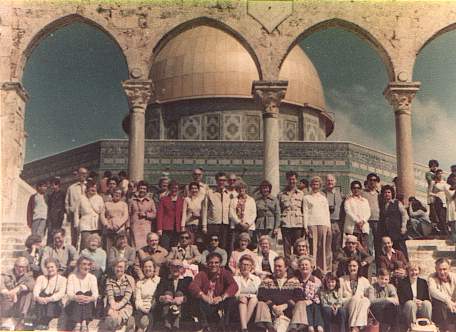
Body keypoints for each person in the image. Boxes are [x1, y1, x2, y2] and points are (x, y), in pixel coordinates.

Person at [189, 252, 238, 332]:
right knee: (196, 299)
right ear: (207, 264)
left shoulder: (225, 273)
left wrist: (222, 297)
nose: (213, 265)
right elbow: (193, 286)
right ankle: (204, 327)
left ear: (220, 264)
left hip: (219, 303)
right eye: (211, 263)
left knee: (232, 299)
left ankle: (226, 326)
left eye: (216, 262)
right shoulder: (202, 274)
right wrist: (203, 295)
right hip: (206, 303)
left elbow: (234, 286)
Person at [255, 256, 302, 332]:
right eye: (275, 266)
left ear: (286, 267)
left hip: (288, 313)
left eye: (279, 266)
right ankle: (270, 327)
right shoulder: (267, 280)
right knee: (261, 303)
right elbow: (261, 295)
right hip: (270, 314)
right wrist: (273, 306)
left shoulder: (294, 281)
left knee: (301, 303)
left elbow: (299, 296)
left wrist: (285, 305)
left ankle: (294, 328)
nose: (277, 268)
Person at [304, 176, 332, 274]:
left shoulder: (323, 198)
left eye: (317, 184)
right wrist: (305, 226)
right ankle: (312, 269)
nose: (315, 186)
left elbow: (326, 212)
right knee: (313, 248)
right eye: (313, 184)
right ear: (311, 185)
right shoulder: (306, 197)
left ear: (320, 186)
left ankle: (322, 270)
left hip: (323, 224)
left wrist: (328, 226)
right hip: (312, 224)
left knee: (322, 248)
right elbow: (306, 212)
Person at [156, 259, 193, 330]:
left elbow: (191, 295)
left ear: (182, 269)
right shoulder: (164, 280)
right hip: (167, 308)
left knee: (179, 293)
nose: (175, 269)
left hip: (182, 310)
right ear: (169, 268)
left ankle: (176, 321)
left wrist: (183, 299)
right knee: (168, 293)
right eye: (173, 266)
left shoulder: (188, 280)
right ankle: (167, 321)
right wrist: (164, 298)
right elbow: (158, 295)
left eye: (178, 267)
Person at [65, 256, 98, 332]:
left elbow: (95, 295)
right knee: (79, 293)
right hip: (73, 306)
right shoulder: (72, 276)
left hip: (88, 305)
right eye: (84, 264)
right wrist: (76, 297)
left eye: (89, 265)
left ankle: (81, 323)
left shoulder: (92, 278)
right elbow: (69, 293)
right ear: (78, 265)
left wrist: (89, 298)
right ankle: (80, 323)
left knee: (87, 293)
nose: (87, 267)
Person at [278, 171, 306, 259]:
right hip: (286, 224)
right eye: (290, 179)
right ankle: (288, 266)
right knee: (286, 248)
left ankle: (298, 266)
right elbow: (278, 210)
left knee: (298, 247)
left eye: (293, 179)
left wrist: (305, 226)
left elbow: (304, 210)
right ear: (287, 180)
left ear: (296, 180)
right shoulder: (281, 194)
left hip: (298, 224)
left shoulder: (301, 194)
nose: (292, 181)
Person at [32, 258, 66, 330]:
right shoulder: (41, 278)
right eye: (48, 267)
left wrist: (49, 299)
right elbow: (36, 290)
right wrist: (38, 298)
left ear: (57, 267)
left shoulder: (63, 280)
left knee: (51, 301)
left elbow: (61, 293)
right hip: (41, 302)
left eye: (52, 267)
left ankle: (45, 322)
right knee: (42, 295)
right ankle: (40, 322)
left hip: (54, 304)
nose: (50, 269)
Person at [0, 257, 35, 327]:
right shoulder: (6, 274)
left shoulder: (28, 275)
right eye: (19, 267)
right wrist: (10, 293)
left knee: (28, 293)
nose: (21, 269)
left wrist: (17, 289)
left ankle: (22, 318)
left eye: (23, 267)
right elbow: (1, 287)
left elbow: (31, 284)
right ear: (15, 266)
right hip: (7, 302)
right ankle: (5, 321)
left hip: (19, 303)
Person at [339, 258, 371, 332]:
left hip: (360, 306)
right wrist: (352, 298)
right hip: (347, 304)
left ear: (358, 267)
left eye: (354, 266)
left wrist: (362, 298)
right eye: (350, 266)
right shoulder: (341, 280)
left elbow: (369, 297)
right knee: (356, 298)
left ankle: (354, 328)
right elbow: (339, 298)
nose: (352, 268)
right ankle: (356, 327)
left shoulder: (364, 280)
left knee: (365, 300)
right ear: (347, 267)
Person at [397, 263, 432, 328]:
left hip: (420, 305)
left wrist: (421, 302)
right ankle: (412, 327)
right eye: (411, 270)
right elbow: (401, 299)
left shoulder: (423, 282)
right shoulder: (402, 283)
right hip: (408, 307)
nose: (414, 272)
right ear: (408, 271)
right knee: (411, 304)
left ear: (419, 271)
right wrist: (413, 301)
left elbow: (427, 297)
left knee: (427, 303)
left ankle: (426, 326)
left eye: (416, 270)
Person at [293, 256, 324, 332]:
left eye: (306, 265)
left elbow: (319, 297)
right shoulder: (294, 280)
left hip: (314, 307)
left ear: (311, 267)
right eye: (302, 265)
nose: (304, 267)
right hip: (299, 308)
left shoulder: (317, 281)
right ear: (299, 268)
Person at [104, 258, 135, 331]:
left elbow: (127, 298)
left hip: (125, 305)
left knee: (117, 318)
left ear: (125, 268)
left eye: (121, 267)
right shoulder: (109, 280)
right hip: (113, 304)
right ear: (114, 268)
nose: (118, 269)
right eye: (116, 266)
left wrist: (118, 307)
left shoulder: (130, 279)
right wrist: (113, 306)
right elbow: (110, 296)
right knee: (112, 316)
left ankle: (122, 324)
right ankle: (124, 324)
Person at [202, 172, 231, 249]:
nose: (221, 182)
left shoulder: (229, 194)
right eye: (219, 180)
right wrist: (204, 226)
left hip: (225, 224)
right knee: (211, 246)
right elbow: (204, 210)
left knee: (223, 246)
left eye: (223, 180)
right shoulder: (210, 193)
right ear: (216, 181)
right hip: (213, 224)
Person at [74, 180, 106, 251]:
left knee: (97, 244)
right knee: (85, 245)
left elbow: (102, 211)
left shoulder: (99, 198)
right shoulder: (81, 198)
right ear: (87, 188)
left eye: (95, 187)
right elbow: (76, 212)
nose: (93, 189)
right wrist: (76, 224)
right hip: (85, 225)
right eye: (92, 187)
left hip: (96, 225)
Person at [234, 255, 261, 332]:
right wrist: (240, 297)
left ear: (251, 267)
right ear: (240, 266)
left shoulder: (256, 279)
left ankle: (243, 327)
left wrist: (249, 295)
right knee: (243, 299)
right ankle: (244, 328)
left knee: (254, 299)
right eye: (243, 264)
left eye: (248, 265)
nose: (245, 267)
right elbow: (234, 293)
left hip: (253, 302)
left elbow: (259, 294)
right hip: (239, 302)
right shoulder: (235, 278)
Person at [380, 185, 409, 259]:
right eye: (385, 192)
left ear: (392, 193)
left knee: (401, 250)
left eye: (389, 192)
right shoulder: (383, 205)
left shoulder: (397, 203)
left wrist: (403, 227)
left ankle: (405, 266)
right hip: (388, 232)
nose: (387, 194)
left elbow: (404, 215)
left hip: (398, 231)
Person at [428, 258, 456, 332]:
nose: (442, 272)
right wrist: (448, 301)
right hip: (440, 309)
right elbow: (433, 291)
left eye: (444, 269)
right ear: (436, 269)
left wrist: (454, 304)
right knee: (441, 305)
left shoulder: (454, 277)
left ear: (449, 269)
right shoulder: (432, 277)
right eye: (440, 269)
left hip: (454, 306)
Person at [323, 175, 344, 270]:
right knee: (326, 246)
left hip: (338, 223)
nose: (330, 182)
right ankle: (327, 268)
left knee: (337, 246)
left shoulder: (340, 194)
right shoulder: (322, 194)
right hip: (326, 222)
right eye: (328, 180)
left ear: (335, 182)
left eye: (332, 180)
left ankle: (335, 269)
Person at [135, 257, 161, 332]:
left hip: (154, 309)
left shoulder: (159, 281)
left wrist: (149, 309)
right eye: (145, 267)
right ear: (142, 269)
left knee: (146, 320)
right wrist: (143, 309)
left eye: (150, 267)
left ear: (154, 268)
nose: (147, 269)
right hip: (141, 309)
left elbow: (157, 298)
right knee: (139, 322)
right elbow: (138, 300)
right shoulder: (139, 283)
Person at [229, 181, 257, 251]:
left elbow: (254, 213)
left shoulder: (251, 200)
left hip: (248, 227)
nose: (241, 190)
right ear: (237, 190)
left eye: (243, 188)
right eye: (239, 188)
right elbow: (231, 213)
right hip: (236, 227)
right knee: (236, 246)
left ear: (246, 189)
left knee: (248, 246)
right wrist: (239, 223)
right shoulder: (233, 200)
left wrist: (247, 224)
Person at [344, 181, 371, 252]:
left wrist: (363, 221)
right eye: (354, 188)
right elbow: (348, 211)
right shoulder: (348, 200)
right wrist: (357, 221)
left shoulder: (365, 201)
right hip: (353, 228)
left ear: (360, 189)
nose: (356, 190)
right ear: (351, 189)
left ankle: (364, 262)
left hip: (363, 227)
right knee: (352, 249)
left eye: (358, 188)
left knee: (364, 248)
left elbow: (368, 212)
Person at [129, 180, 157, 249]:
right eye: (141, 188)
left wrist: (146, 214)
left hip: (146, 227)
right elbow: (128, 214)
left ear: (147, 190)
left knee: (145, 245)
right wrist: (128, 227)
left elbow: (154, 214)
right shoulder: (132, 200)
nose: (142, 190)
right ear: (138, 189)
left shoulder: (150, 201)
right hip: (135, 227)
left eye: (144, 189)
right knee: (135, 246)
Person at [157, 180, 184, 250]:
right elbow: (160, 215)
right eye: (172, 188)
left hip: (177, 228)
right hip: (166, 228)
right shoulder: (164, 199)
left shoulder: (182, 200)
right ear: (169, 189)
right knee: (165, 248)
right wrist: (159, 228)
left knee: (174, 248)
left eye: (176, 188)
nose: (174, 190)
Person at [361, 173, 382, 258]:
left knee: (379, 245)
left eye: (374, 180)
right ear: (368, 181)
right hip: (367, 222)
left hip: (378, 222)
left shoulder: (379, 195)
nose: (372, 182)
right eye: (371, 180)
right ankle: (369, 268)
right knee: (368, 245)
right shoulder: (362, 193)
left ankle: (379, 268)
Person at [65, 167, 88, 247]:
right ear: (78, 174)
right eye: (82, 173)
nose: (84, 175)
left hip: (86, 215)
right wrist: (69, 211)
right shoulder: (71, 188)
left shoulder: (89, 186)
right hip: (74, 215)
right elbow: (67, 202)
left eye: (85, 173)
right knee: (74, 237)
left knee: (85, 237)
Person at [254, 180, 280, 245]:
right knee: (260, 243)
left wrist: (276, 227)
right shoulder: (257, 200)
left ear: (269, 189)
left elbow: (277, 214)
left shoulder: (274, 200)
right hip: (260, 225)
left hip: (271, 225)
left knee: (271, 244)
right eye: (263, 188)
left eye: (267, 188)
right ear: (261, 189)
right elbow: (255, 214)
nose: (265, 190)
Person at [104, 188, 129, 254]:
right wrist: (107, 225)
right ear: (113, 193)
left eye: (119, 193)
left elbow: (125, 216)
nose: (117, 194)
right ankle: (110, 263)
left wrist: (118, 225)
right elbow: (102, 216)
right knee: (109, 248)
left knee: (120, 247)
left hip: (120, 229)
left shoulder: (124, 204)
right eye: (116, 192)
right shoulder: (106, 204)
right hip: (109, 228)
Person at [429, 169, 449, 234]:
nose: (440, 175)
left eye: (441, 173)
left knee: (445, 216)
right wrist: (436, 195)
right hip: (438, 201)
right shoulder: (433, 182)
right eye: (439, 173)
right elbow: (429, 192)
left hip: (445, 200)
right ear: (436, 175)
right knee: (440, 216)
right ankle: (444, 231)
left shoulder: (444, 182)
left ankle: (445, 230)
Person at [46, 177, 65, 245]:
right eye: (52, 185)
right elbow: (49, 206)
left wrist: (62, 216)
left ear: (58, 185)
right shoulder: (51, 195)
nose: (52, 187)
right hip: (51, 216)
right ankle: (49, 246)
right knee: (50, 232)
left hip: (59, 217)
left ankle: (57, 246)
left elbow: (63, 206)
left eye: (53, 185)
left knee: (57, 232)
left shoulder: (62, 194)